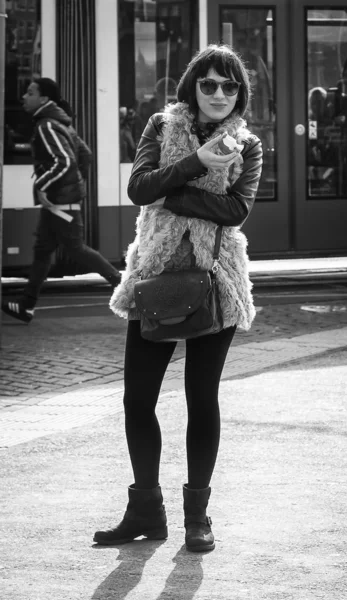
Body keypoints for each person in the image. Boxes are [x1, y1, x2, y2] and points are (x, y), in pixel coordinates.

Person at [93, 44, 263, 552]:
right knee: (137, 399)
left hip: (217, 280)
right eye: (208, 83)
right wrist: (194, 163)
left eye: (228, 86)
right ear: (192, 86)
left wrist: (172, 189)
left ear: (239, 93)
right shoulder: (161, 128)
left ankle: (197, 517)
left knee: (200, 399)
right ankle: (146, 510)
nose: (217, 93)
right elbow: (139, 188)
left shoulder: (248, 145)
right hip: (155, 274)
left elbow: (234, 211)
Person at [2, 78, 121, 324]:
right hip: (57, 204)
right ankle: (26, 306)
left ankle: (124, 285)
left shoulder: (46, 125)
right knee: (42, 252)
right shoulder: (61, 124)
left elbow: (64, 162)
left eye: (30, 92)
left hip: (59, 204)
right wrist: (74, 187)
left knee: (75, 249)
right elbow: (84, 155)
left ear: (44, 99)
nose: (24, 96)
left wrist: (43, 184)